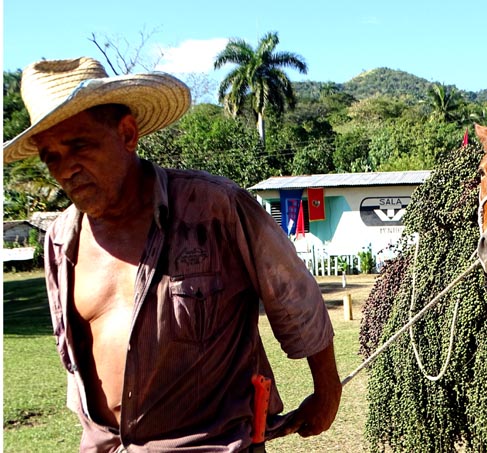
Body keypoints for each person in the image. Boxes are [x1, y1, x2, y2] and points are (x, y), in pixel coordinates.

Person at [3, 57, 342, 452]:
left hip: (211, 444)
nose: (66, 169)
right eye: (51, 156)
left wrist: (326, 390)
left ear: (127, 134)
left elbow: (294, 294)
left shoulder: (216, 208)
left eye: (80, 146)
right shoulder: (61, 239)